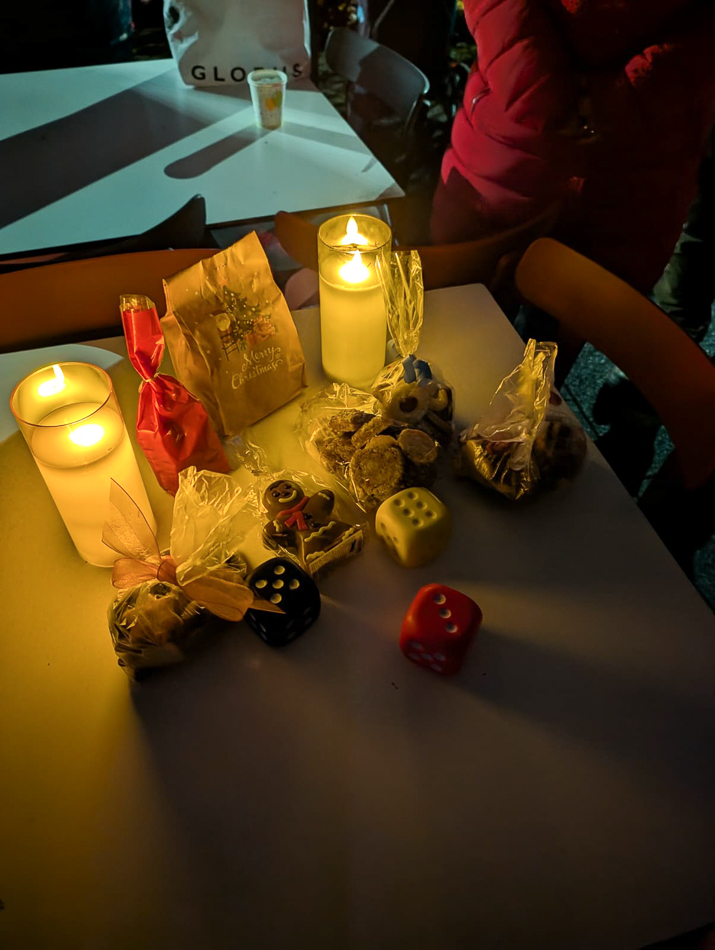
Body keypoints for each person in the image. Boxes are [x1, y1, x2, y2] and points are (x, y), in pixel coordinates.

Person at [431, 0, 715, 297]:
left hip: (635, 175)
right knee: (445, 297)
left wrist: (615, 100)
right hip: (510, 143)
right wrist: (535, 90)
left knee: (587, 309)